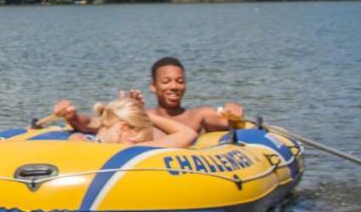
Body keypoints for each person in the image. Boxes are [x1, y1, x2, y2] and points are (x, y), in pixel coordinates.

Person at [56, 56, 244, 136]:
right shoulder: (141, 116)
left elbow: (225, 123)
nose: (174, 87)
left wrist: (233, 116)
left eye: (180, 81)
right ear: (153, 87)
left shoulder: (198, 115)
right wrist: (71, 116)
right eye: (166, 81)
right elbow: (91, 124)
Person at [57, 96, 197, 148]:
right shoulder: (133, 149)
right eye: (139, 141)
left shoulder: (81, 140)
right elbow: (187, 133)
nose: (142, 144)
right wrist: (148, 115)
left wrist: (144, 115)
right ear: (123, 128)